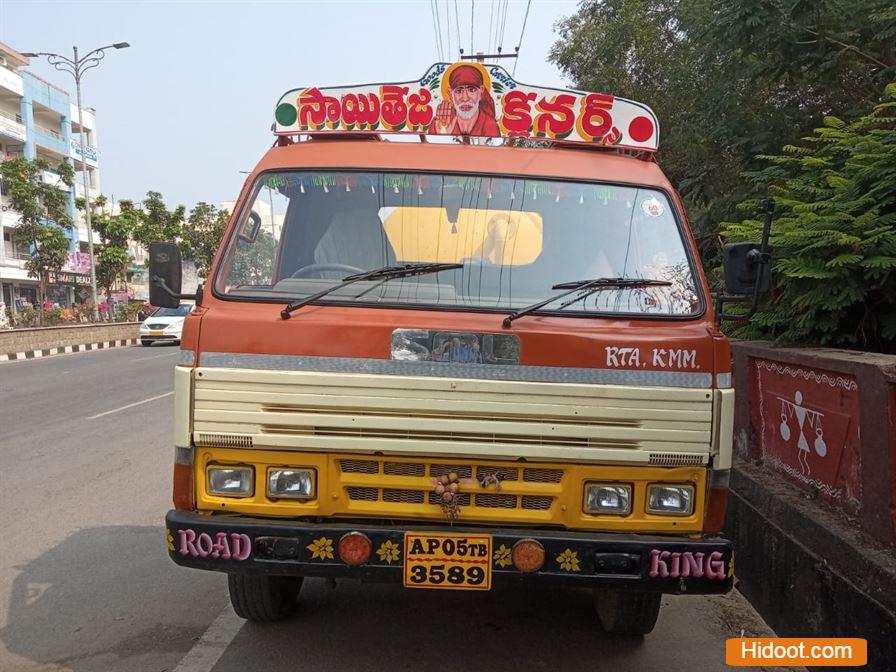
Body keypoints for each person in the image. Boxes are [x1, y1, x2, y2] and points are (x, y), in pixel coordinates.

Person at [435, 65, 501, 137]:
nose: (465, 98)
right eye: (459, 91)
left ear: (481, 90)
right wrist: (443, 133)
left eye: (471, 90)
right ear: (450, 93)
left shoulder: (489, 125)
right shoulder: (440, 122)